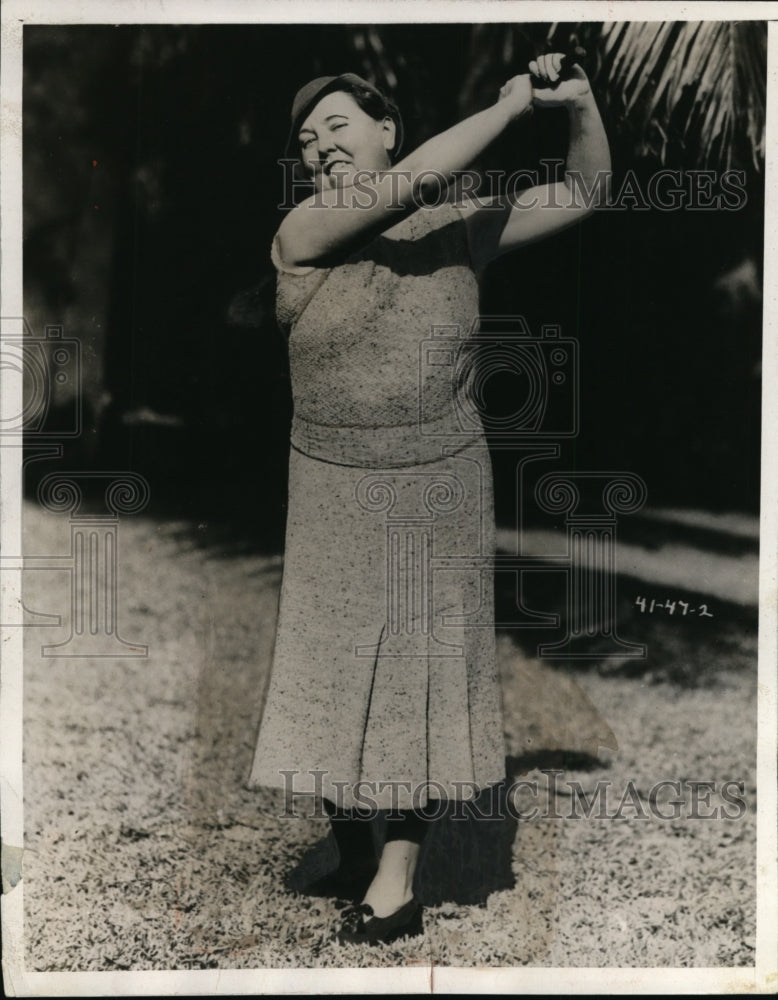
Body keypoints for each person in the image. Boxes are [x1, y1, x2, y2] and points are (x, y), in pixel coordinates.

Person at [248, 55, 610, 945]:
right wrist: (512, 102)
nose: (320, 146)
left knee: (414, 677)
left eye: (337, 126)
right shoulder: (303, 230)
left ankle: (397, 878)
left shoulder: (457, 226)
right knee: (333, 669)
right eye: (306, 140)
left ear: (385, 129)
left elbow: (586, 191)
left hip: (439, 478)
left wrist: (580, 106)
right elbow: (414, 180)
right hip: (330, 477)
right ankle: (351, 843)